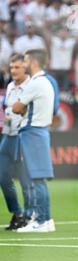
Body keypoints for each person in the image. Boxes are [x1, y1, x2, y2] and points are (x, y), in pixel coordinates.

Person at [13, 49, 58, 233]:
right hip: (39, 131)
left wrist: (20, 107)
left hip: (33, 131)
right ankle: (44, 219)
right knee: (38, 178)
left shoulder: (35, 83)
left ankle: (41, 220)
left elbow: (16, 107)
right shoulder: (47, 81)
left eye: (24, 61)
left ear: (32, 62)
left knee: (37, 178)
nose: (23, 65)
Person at [0, 54, 30, 230]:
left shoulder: (31, 87)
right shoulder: (10, 86)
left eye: (17, 67)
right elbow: (8, 110)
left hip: (22, 135)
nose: (13, 71)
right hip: (8, 134)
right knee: (2, 176)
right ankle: (17, 212)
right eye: (11, 68)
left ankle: (28, 215)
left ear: (25, 68)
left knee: (25, 178)